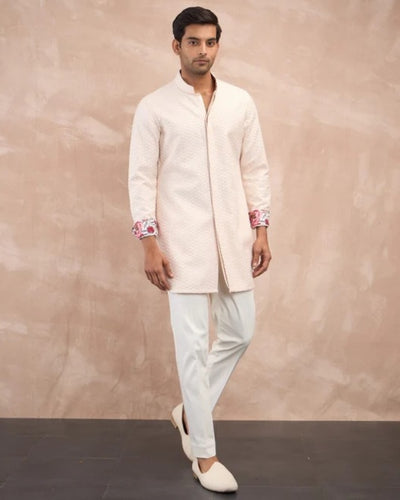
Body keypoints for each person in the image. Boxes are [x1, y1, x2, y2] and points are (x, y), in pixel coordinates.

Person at [128, 6, 271, 493]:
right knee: (191, 349)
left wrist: (261, 229)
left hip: (233, 239)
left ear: (218, 45)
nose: (203, 51)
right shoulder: (154, 107)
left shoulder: (240, 103)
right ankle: (205, 458)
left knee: (240, 330)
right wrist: (149, 243)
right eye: (193, 42)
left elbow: (255, 168)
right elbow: (141, 178)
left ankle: (190, 410)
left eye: (210, 42)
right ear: (177, 46)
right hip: (180, 243)